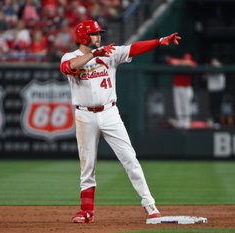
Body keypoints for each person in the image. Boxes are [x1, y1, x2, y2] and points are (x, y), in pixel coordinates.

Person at [60, 19, 181, 223]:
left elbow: (133, 48)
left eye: (99, 33)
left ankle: (149, 204)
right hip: (84, 115)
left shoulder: (110, 53)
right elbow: (67, 67)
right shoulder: (71, 56)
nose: (99, 36)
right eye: (95, 34)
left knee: (129, 158)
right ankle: (86, 211)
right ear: (82, 36)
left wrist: (159, 41)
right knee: (87, 165)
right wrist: (94, 55)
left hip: (109, 112)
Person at [166, 53, 197, 129]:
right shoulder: (180, 62)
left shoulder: (192, 63)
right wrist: (181, 63)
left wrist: (183, 63)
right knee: (178, 105)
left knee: (186, 105)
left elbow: (194, 65)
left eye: (188, 60)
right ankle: (180, 122)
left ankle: (186, 123)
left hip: (187, 88)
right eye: (185, 59)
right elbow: (169, 61)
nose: (186, 61)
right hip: (177, 87)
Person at [204, 58, 226, 127]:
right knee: (212, 107)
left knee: (218, 107)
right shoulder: (209, 69)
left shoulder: (220, 68)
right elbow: (204, 77)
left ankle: (217, 122)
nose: (214, 63)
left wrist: (217, 65)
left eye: (215, 62)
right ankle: (212, 121)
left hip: (219, 90)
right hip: (211, 91)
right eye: (212, 62)